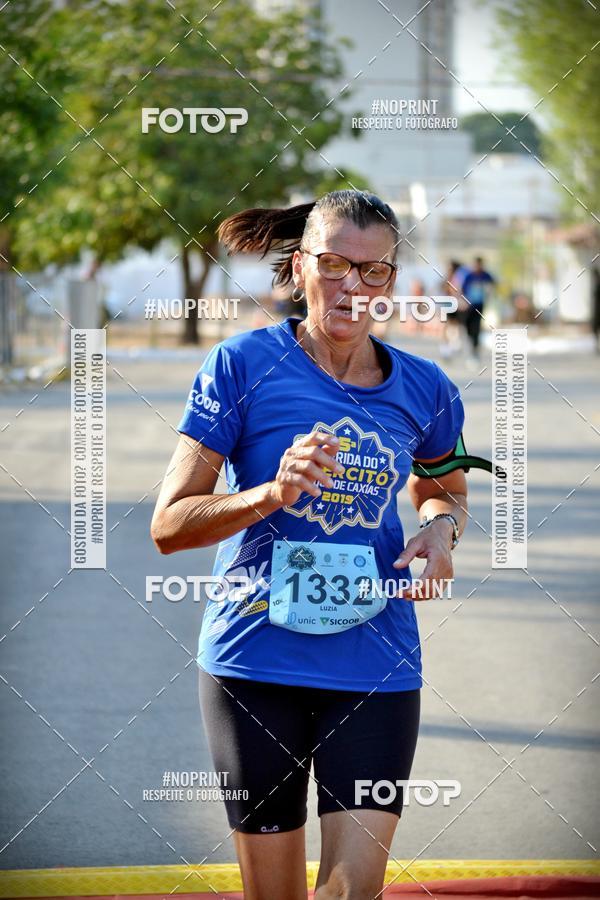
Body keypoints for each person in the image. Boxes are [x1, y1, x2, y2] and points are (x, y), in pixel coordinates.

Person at [151, 190, 480, 900]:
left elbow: (446, 489)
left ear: (392, 281)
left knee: (351, 893)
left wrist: (440, 527)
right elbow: (169, 526)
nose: (351, 287)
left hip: (375, 665)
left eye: (373, 271)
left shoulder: (426, 389)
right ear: (299, 268)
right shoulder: (241, 368)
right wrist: (270, 492)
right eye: (333, 265)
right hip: (253, 661)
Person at [460, 256, 496, 363]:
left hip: (480, 305)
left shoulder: (486, 276)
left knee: (476, 327)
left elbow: (492, 286)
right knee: (467, 325)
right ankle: (470, 342)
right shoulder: (469, 276)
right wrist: (463, 301)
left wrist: (488, 294)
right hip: (468, 305)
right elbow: (462, 289)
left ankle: (475, 351)